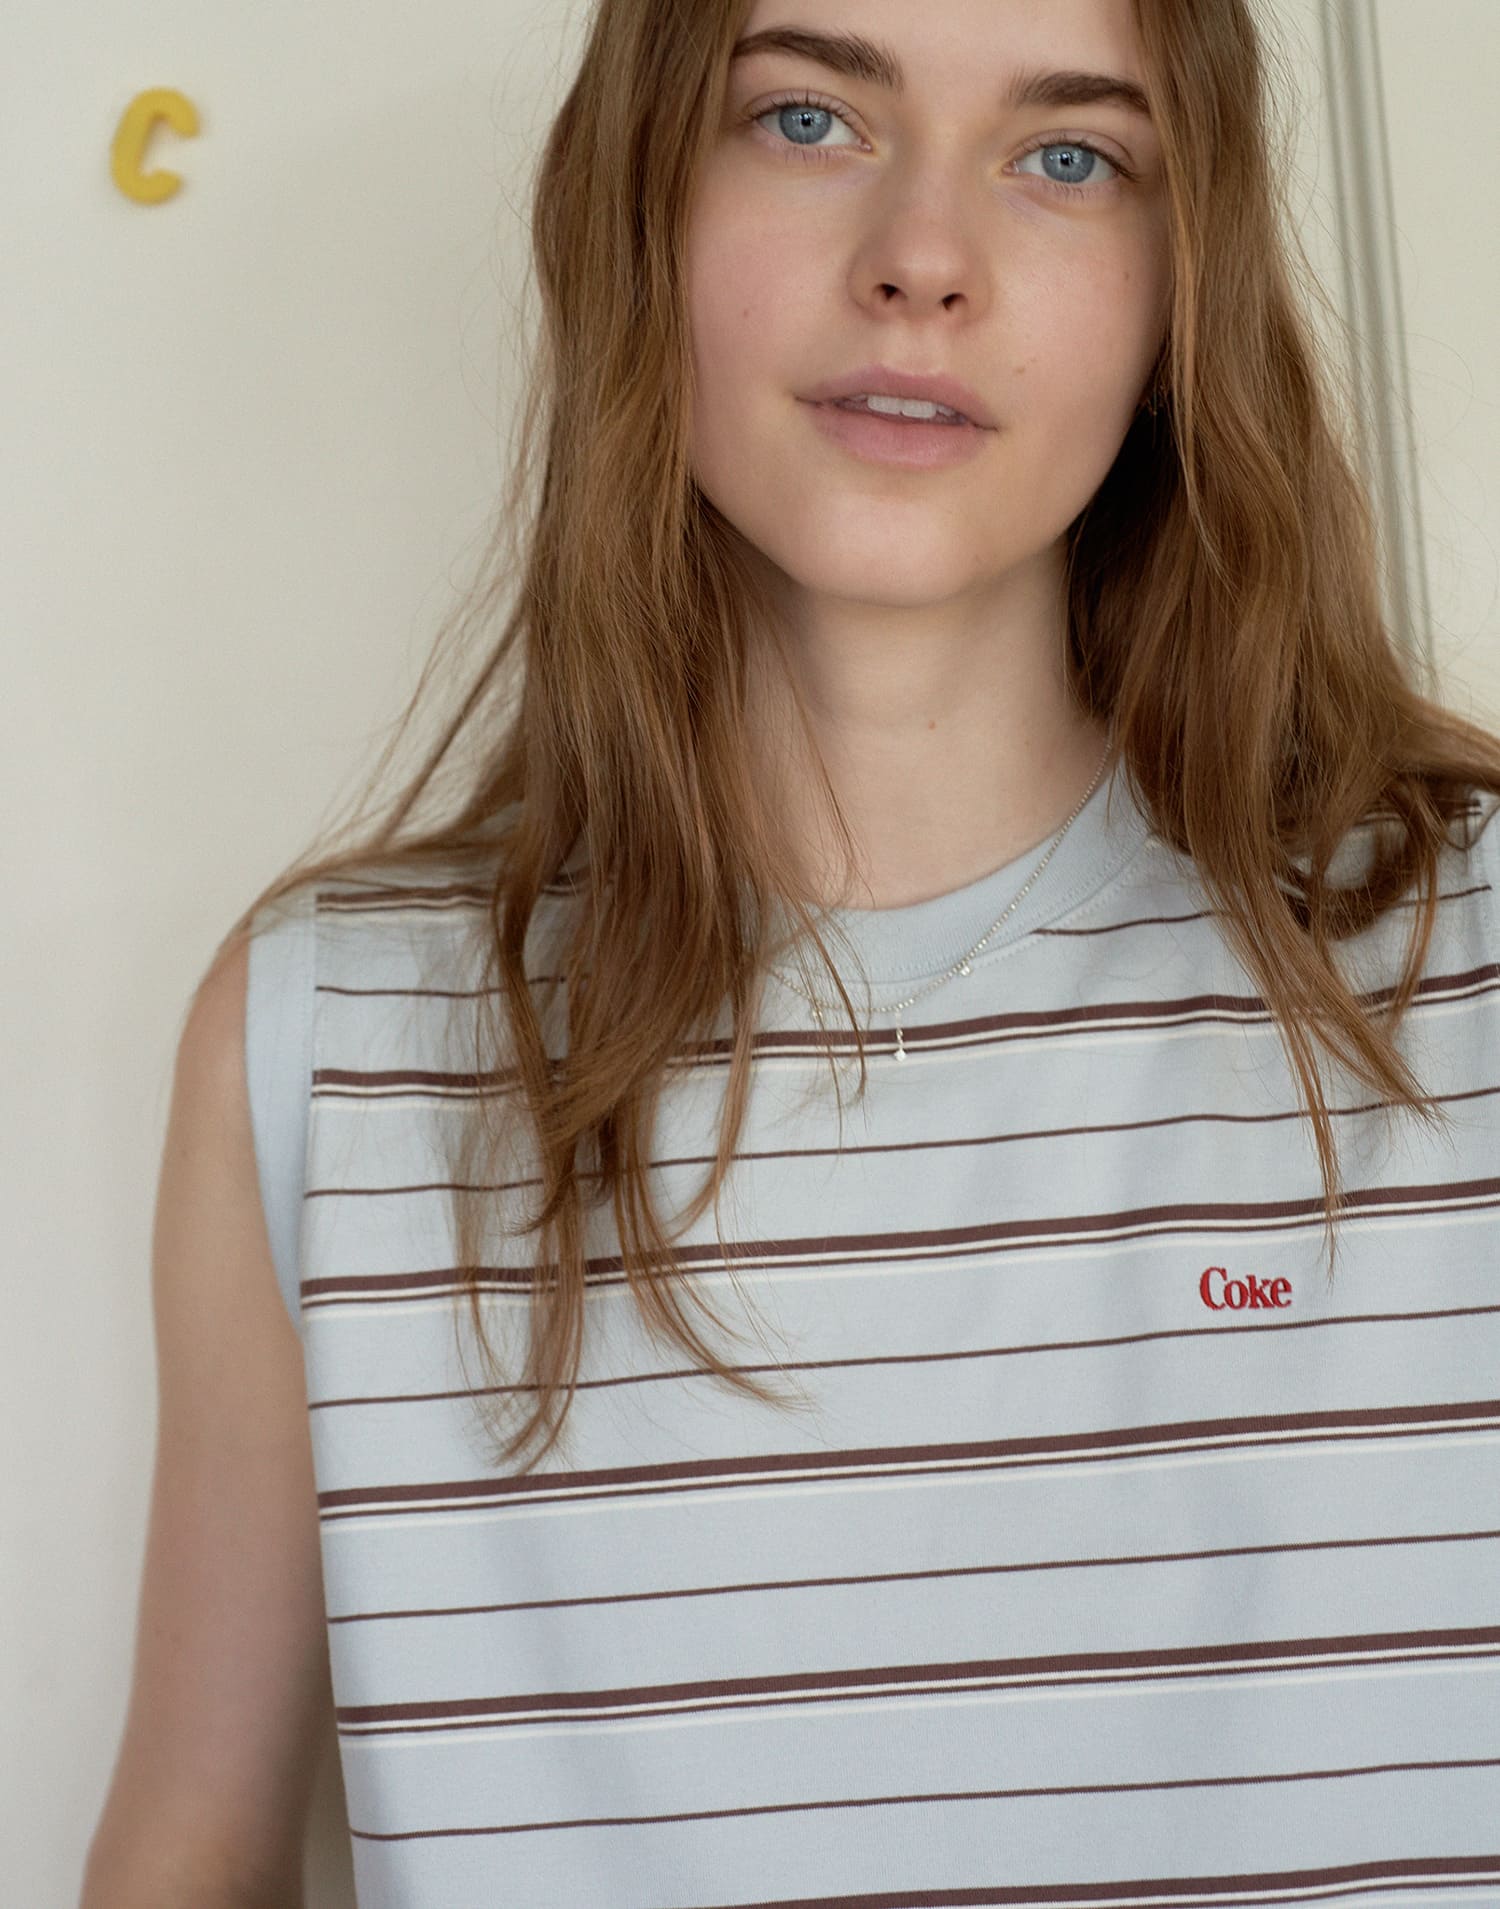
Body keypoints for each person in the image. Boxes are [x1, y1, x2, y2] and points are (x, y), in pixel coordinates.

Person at [84, 0, 1500, 1902]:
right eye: (810, 118)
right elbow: (189, 1852)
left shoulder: (1471, 958)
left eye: (1068, 155)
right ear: (637, 200)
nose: (924, 258)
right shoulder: (326, 1038)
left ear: (1186, 288)